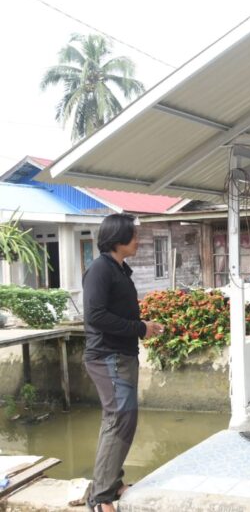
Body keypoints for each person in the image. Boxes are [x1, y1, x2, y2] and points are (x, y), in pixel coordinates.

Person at [83, 213, 164, 512]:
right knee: (120, 419)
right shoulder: (99, 270)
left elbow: (119, 314)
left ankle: (112, 483)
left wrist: (143, 326)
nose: (137, 240)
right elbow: (96, 316)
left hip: (121, 354)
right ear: (118, 238)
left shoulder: (119, 269)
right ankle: (100, 498)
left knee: (120, 420)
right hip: (107, 356)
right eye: (133, 235)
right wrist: (139, 328)